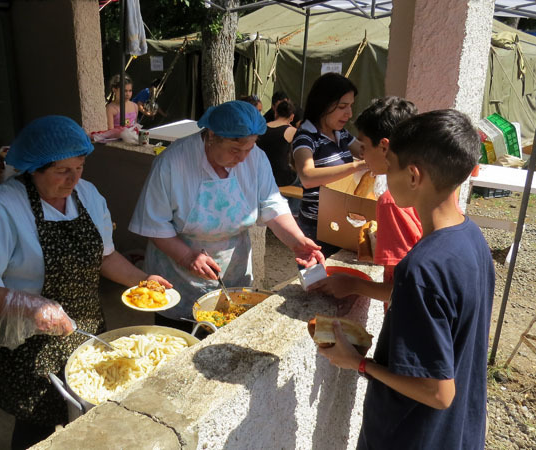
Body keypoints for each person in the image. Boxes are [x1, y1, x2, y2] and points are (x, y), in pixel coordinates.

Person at [0, 115, 171, 449]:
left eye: (79, 167)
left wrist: (143, 282)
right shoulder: (4, 208)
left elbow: (104, 256)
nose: (73, 180)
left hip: (84, 330)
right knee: (37, 423)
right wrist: (30, 305)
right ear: (33, 168)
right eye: (62, 171)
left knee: (90, 413)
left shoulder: (88, 195)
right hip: (29, 340)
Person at [317, 109, 494, 449]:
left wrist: (358, 363)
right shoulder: (472, 238)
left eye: (391, 167)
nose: (385, 178)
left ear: (413, 176)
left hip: (414, 436)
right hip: (459, 431)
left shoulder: (421, 268)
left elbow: (439, 392)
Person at [129, 100, 324, 328]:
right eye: (235, 149)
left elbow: (272, 205)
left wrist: (297, 241)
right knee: (180, 342)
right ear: (212, 135)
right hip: (178, 279)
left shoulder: (256, 159)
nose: (243, 157)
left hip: (234, 274)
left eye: (249, 148)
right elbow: (155, 225)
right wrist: (187, 257)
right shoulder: (173, 162)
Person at [310, 96, 422, 305]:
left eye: (364, 146)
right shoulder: (428, 187)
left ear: (384, 147)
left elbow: (405, 289)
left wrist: (351, 285)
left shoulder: (392, 202)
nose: (362, 155)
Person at [292, 73, 366, 258]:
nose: (349, 114)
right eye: (342, 107)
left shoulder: (342, 134)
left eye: (350, 106)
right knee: (316, 280)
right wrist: (356, 167)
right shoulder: (306, 136)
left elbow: (366, 152)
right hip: (316, 228)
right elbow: (307, 177)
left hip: (340, 222)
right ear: (323, 105)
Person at [257, 98, 298, 187]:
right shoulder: (292, 131)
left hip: (260, 176)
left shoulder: (261, 128)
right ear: (292, 117)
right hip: (282, 179)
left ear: (275, 113)